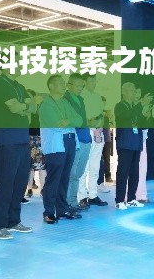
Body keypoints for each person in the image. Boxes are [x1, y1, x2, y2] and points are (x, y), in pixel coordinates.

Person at [0, 67, 35, 240]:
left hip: (22, 139)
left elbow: (33, 107)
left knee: (20, 183)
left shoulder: (19, 86)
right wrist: (25, 106)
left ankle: (14, 221)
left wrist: (25, 106)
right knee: (6, 183)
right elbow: (15, 108)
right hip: (7, 140)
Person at [39, 75, 83, 223]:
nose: (63, 85)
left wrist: (68, 120)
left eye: (64, 83)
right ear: (51, 86)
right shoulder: (46, 104)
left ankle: (62, 210)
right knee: (54, 179)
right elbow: (56, 123)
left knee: (64, 178)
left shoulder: (65, 102)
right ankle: (48, 212)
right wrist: (69, 121)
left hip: (70, 141)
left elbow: (79, 120)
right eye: (60, 83)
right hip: (56, 144)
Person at [113, 82, 151, 210]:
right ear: (124, 92)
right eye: (131, 91)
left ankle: (131, 199)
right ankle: (119, 200)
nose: (134, 93)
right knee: (123, 172)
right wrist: (140, 105)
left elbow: (142, 124)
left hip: (136, 143)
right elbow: (126, 116)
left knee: (134, 172)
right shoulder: (120, 106)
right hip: (125, 143)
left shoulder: (135, 106)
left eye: (135, 91)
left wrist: (145, 116)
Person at [63, 73, 92, 212]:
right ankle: (67, 203)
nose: (80, 88)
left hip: (86, 138)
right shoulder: (65, 100)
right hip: (74, 140)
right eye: (78, 85)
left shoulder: (81, 99)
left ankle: (73, 202)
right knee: (71, 173)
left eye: (82, 86)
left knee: (78, 173)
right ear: (69, 85)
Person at [79, 74, 108, 207]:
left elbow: (102, 115)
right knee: (84, 166)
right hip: (87, 132)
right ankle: (81, 196)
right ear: (84, 82)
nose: (93, 83)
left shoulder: (97, 96)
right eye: (90, 81)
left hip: (98, 132)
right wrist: (92, 123)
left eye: (94, 81)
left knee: (95, 165)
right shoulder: (81, 96)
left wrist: (99, 128)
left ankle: (93, 194)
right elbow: (84, 117)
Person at [25, 90, 45, 198]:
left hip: (41, 139)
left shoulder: (42, 109)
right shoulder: (26, 110)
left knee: (42, 166)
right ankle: (29, 188)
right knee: (30, 167)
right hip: (29, 139)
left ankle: (43, 189)